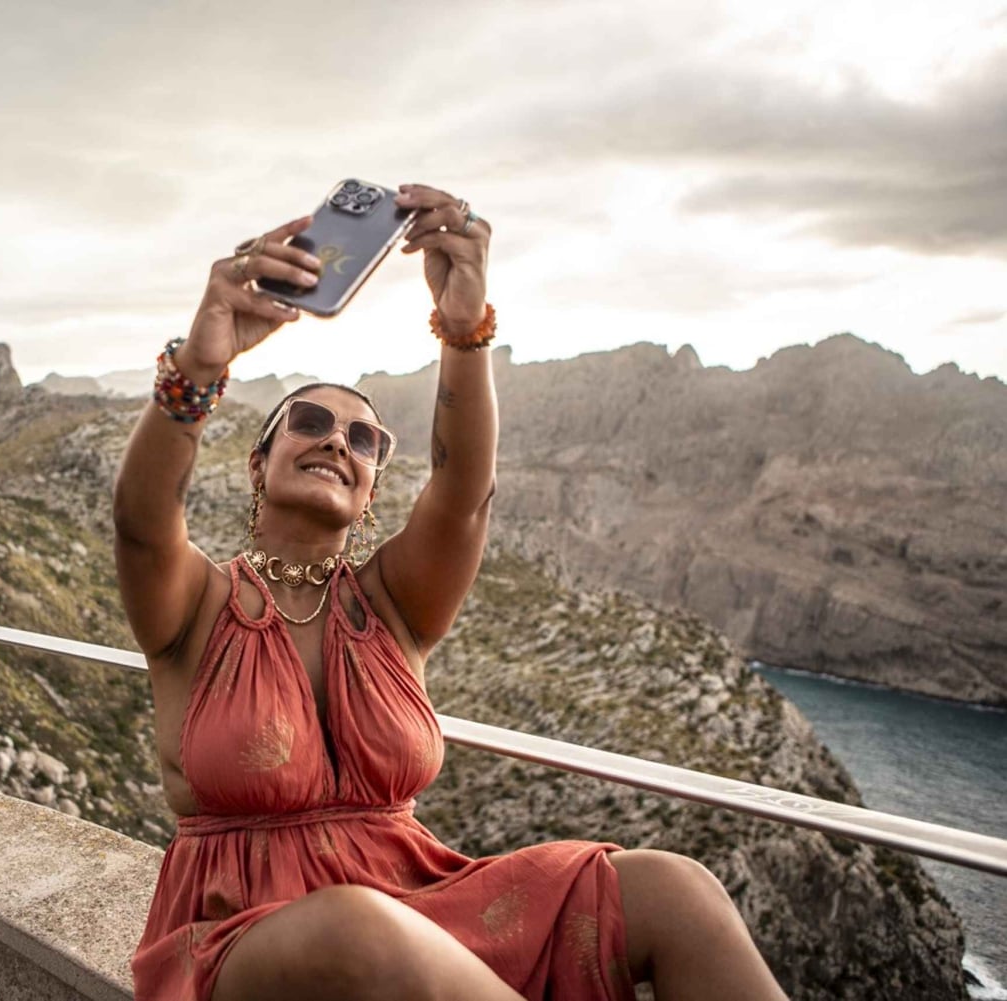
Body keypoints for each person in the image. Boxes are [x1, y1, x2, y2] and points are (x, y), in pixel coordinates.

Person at [112, 183, 786, 1001]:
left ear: (370, 490)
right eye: (311, 424)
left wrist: (464, 328)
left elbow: (464, 488)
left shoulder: (394, 606)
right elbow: (144, 523)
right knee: (358, 927)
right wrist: (200, 367)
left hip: (418, 906)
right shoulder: (196, 607)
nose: (339, 441)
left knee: (675, 890)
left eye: (364, 438)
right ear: (258, 462)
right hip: (241, 941)